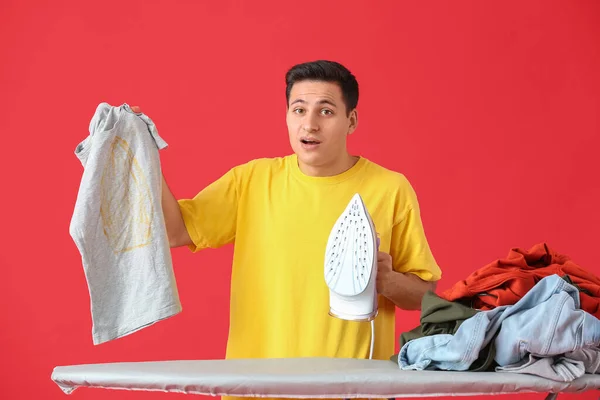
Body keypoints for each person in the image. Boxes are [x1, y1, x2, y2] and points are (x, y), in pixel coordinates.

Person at [140, 59, 441, 398]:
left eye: (325, 112)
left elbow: (426, 297)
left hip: (351, 390)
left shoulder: (390, 189)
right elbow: (174, 231)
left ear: (351, 120)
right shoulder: (251, 181)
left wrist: (387, 281)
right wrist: (143, 155)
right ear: (287, 116)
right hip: (255, 392)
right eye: (299, 110)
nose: (309, 125)